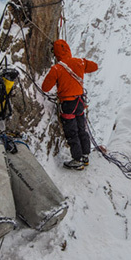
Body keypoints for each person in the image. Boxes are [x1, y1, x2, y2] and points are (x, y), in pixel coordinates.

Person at [41, 39, 99, 170]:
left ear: (56, 54)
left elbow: (45, 87)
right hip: (80, 102)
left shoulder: (57, 68)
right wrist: (82, 63)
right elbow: (95, 66)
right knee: (81, 129)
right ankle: (85, 155)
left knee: (72, 132)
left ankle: (77, 159)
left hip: (68, 104)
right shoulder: (80, 62)